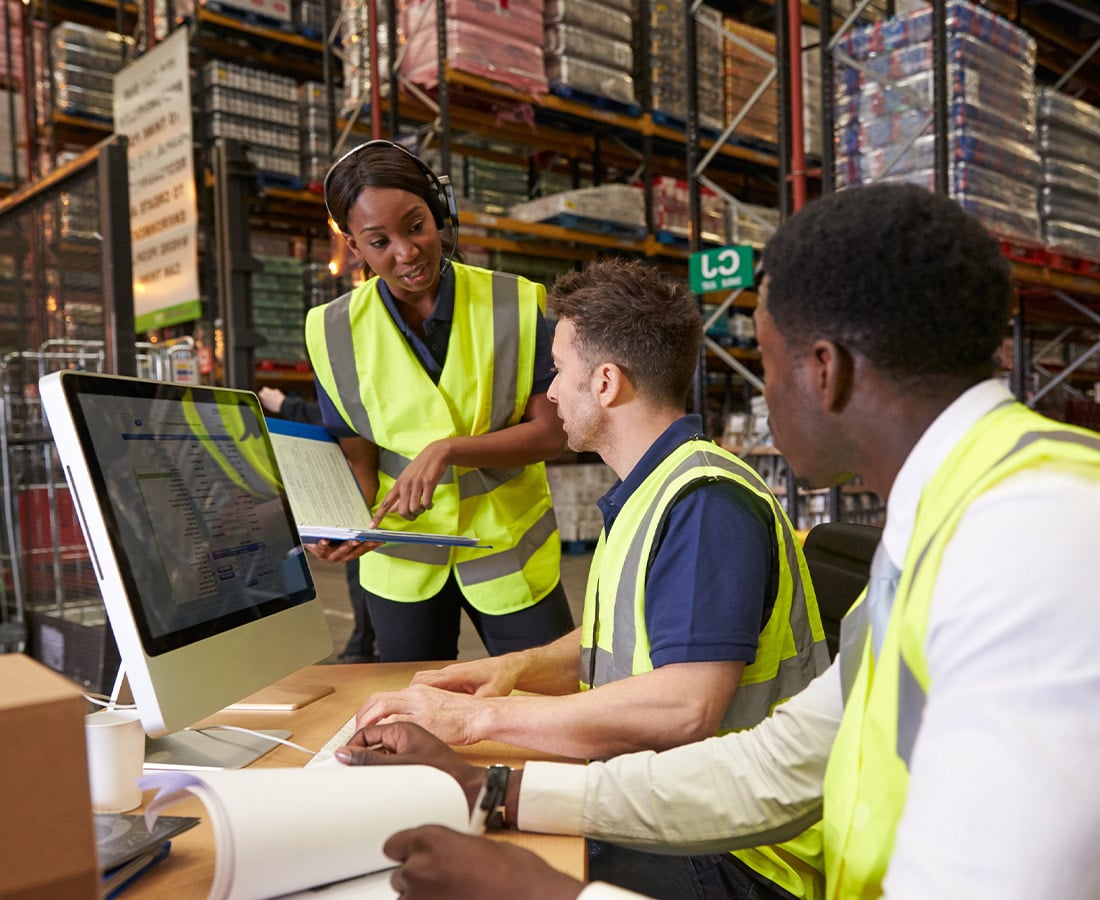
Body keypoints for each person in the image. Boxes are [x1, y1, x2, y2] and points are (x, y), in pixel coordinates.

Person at [335, 183, 1100, 899]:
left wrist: (551, 890)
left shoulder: (1031, 537)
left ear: (824, 371)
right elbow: (779, 765)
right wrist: (494, 790)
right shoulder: (943, 512)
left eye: (765, 361)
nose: (762, 397)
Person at [355, 256, 829, 899]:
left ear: (605, 382)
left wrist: (476, 722)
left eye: (559, 370)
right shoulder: (656, 489)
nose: (549, 391)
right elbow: (621, 646)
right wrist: (514, 671)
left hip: (739, 857)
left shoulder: (706, 504)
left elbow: (684, 705)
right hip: (669, 812)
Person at [303, 139, 575, 662]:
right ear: (355, 249)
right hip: (402, 557)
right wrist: (345, 522)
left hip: (508, 549)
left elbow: (552, 432)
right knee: (411, 713)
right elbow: (357, 454)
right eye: (379, 241)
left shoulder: (516, 301)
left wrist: (450, 449)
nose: (405, 252)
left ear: (439, 214)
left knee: (550, 693)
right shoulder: (330, 331)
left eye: (415, 227)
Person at [257, 385, 379, 664]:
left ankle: (361, 646)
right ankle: (361, 644)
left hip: (375, 505)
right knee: (360, 574)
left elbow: (336, 416)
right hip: (366, 502)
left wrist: (287, 405)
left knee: (360, 573)